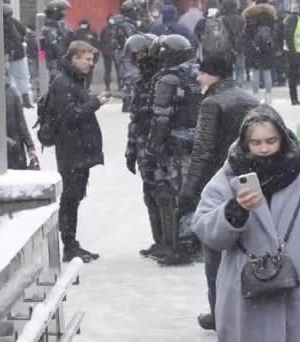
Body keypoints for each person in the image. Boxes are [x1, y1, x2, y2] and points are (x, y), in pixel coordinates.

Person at [191, 105, 300, 342]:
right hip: (243, 295)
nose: (264, 149)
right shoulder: (227, 178)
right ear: (245, 144)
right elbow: (205, 229)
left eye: (271, 140)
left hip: (297, 290)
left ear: (282, 139)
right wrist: (233, 212)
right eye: (256, 143)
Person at [178, 55, 259, 331]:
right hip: (248, 181)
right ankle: (252, 304)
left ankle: (219, 312)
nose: (198, 78)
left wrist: (188, 191)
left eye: (202, 73)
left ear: (214, 75)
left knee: (214, 249)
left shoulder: (212, 103)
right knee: (249, 245)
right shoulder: (249, 99)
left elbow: (202, 149)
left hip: (217, 182)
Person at [49, 41, 111, 262]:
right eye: (87, 59)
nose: (90, 63)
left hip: (79, 150)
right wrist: (95, 103)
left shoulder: (74, 80)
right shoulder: (63, 83)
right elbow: (69, 116)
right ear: (74, 58)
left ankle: (71, 242)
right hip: (71, 151)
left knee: (74, 197)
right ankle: (68, 244)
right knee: (70, 197)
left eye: (92, 60)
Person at [147, 34, 202, 266]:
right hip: (200, 143)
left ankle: (182, 246)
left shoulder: (169, 78)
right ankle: (196, 243)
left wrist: (153, 147)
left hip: (176, 145)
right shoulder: (199, 74)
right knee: (195, 192)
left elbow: (161, 117)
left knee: (175, 194)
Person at [123, 34, 165, 258]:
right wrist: (130, 151)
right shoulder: (140, 81)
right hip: (142, 145)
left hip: (159, 146)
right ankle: (158, 239)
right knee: (149, 193)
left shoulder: (163, 79)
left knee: (164, 194)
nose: (138, 58)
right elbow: (135, 118)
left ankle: (170, 240)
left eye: (142, 54)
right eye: (135, 55)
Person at [243, 0, 276, 104]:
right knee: (267, 73)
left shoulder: (250, 16)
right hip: (268, 48)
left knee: (255, 73)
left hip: (254, 49)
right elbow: (275, 32)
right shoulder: (271, 16)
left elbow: (246, 36)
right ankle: (269, 97)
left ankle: (256, 97)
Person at [3, 4, 33, 108]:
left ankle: (11, 99)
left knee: (7, 78)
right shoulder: (13, 21)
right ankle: (25, 99)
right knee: (20, 78)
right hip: (15, 53)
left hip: (8, 55)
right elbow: (24, 32)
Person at [41, 0, 70, 82]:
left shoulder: (60, 24)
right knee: (57, 80)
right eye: (62, 11)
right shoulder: (49, 28)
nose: (64, 13)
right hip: (55, 59)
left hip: (62, 58)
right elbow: (46, 45)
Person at [68, 18, 101, 87]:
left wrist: (96, 57)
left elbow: (96, 45)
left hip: (89, 55)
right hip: (79, 56)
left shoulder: (92, 33)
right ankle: (81, 86)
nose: (84, 26)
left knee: (89, 72)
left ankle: (87, 87)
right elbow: (71, 45)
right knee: (79, 72)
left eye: (84, 24)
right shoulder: (76, 33)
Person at [100, 15, 120, 92]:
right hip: (107, 53)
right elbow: (101, 42)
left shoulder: (117, 29)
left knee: (119, 71)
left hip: (116, 52)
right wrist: (104, 51)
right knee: (107, 71)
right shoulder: (104, 30)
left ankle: (120, 86)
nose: (112, 21)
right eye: (110, 19)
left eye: (113, 19)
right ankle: (107, 86)